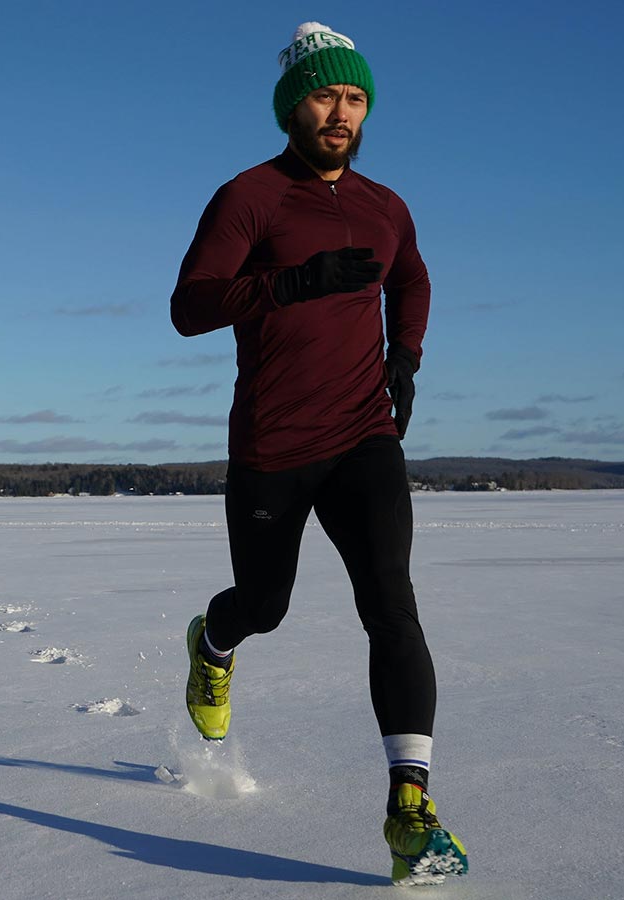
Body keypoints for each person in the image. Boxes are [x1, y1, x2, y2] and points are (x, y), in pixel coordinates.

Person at [167, 21, 466, 886]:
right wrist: (288, 284)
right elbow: (190, 305)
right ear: (292, 106)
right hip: (273, 444)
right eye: (328, 95)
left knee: (392, 605)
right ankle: (213, 644)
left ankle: (410, 806)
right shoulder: (249, 197)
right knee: (265, 603)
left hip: (364, 435)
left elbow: (411, 274)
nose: (343, 112)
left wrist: (405, 356)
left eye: (357, 97)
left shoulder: (385, 206)